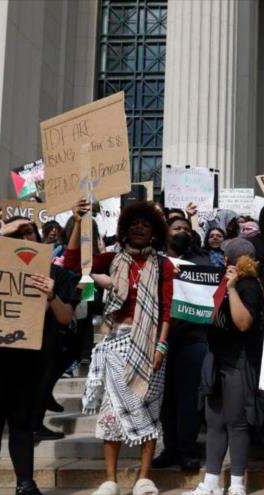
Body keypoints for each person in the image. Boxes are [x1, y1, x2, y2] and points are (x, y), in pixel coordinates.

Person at [63, 200, 174, 495]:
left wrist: (161, 347)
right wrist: (78, 222)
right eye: (134, 223)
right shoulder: (111, 258)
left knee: (148, 412)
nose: (139, 228)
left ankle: (143, 478)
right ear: (125, 229)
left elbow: (166, 310)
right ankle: (110, 480)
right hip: (115, 343)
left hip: (150, 345)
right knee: (112, 412)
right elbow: (74, 265)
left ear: (154, 232)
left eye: (146, 224)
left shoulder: (163, 265)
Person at [0, 218, 77, 495]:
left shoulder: (56, 274)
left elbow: (65, 318)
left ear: (39, 240)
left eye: (28, 231)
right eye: (15, 233)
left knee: (21, 424)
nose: (21, 236)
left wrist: (51, 295)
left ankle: (25, 485)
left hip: (28, 361)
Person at [185, 239, 264, 495]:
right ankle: (210, 483)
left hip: (239, 362)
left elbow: (243, 323)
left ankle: (236, 484)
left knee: (237, 423)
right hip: (217, 359)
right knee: (215, 422)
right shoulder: (219, 282)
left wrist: (232, 289)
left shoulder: (250, 286)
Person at [152, 216, 212, 471]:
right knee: (166, 399)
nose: (182, 233)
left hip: (192, 340)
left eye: (187, 229)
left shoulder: (201, 263)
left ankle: (188, 449)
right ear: (166, 233)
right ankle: (171, 448)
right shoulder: (154, 262)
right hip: (160, 340)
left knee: (188, 398)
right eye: (177, 229)